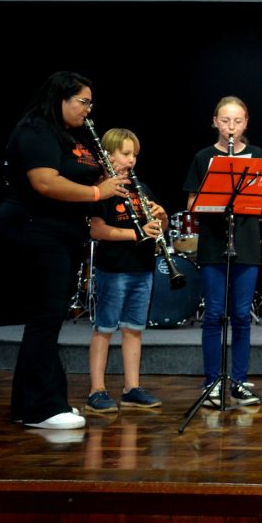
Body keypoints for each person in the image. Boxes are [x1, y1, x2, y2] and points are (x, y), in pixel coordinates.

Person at [0, 71, 128, 430]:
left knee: (46, 320)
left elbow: (80, 179)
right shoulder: (37, 129)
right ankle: (43, 408)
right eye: (83, 102)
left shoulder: (72, 136)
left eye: (90, 103)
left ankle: (29, 405)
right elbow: (45, 182)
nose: (88, 109)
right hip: (34, 229)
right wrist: (99, 192)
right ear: (60, 99)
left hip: (61, 234)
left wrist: (109, 186)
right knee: (45, 318)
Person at [182, 96, 262, 407]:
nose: (231, 127)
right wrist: (216, 199)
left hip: (245, 244)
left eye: (238, 121)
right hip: (214, 245)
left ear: (246, 123)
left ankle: (239, 381)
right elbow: (191, 203)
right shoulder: (204, 157)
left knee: (242, 316)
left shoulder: (257, 156)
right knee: (214, 314)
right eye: (225, 121)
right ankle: (212, 383)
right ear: (215, 122)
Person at [83, 129, 168, 413]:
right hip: (114, 268)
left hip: (142, 268)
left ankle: (132, 388)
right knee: (105, 328)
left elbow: (159, 229)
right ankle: (97, 390)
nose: (131, 160)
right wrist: (137, 234)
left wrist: (162, 217)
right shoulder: (102, 189)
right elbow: (97, 230)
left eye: (134, 155)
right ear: (108, 156)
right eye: (125, 154)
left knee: (134, 329)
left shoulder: (140, 188)